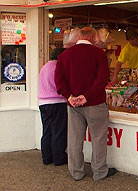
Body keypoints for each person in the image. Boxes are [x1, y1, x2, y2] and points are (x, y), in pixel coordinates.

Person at [55, 27, 117, 181]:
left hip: (73, 105)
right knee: (98, 139)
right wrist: (86, 96)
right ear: (93, 38)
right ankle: (99, 172)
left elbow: (59, 80)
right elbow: (102, 79)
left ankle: (76, 172)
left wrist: (69, 96)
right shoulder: (99, 54)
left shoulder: (64, 55)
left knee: (74, 139)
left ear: (79, 37)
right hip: (95, 103)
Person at [38, 48, 68, 166]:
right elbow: (60, 86)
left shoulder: (44, 67)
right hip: (57, 102)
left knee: (47, 130)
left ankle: (47, 157)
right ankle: (59, 157)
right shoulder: (58, 67)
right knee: (59, 131)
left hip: (43, 103)